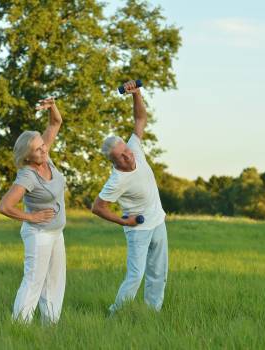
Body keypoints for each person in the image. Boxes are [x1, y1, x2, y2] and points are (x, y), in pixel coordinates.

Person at [91, 80, 168, 315]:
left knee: (158, 273)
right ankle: (116, 314)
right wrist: (124, 222)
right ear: (113, 162)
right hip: (138, 230)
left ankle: (152, 312)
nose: (128, 157)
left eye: (126, 151)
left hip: (158, 221)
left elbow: (140, 119)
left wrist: (136, 94)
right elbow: (97, 207)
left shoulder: (134, 147)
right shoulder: (116, 180)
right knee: (136, 275)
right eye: (121, 157)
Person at [0, 97, 66, 324]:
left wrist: (51, 105)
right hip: (39, 235)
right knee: (33, 282)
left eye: (43, 145)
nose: (44, 149)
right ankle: (19, 327)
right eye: (38, 149)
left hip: (56, 232)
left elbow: (55, 123)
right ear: (28, 156)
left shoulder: (46, 155)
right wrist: (31, 216)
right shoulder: (28, 174)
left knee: (55, 282)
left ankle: (50, 327)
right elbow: (4, 206)